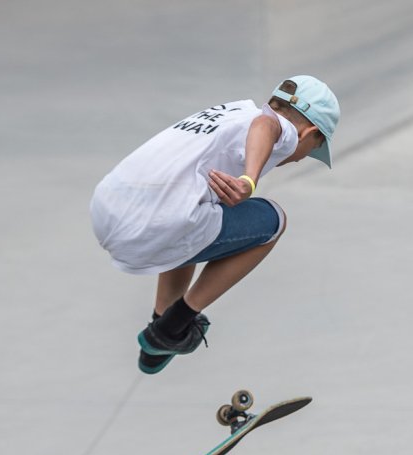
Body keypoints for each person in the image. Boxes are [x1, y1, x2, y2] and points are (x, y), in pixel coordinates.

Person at [90, 76, 339, 373]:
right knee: (274, 220)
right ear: (309, 132)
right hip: (150, 226)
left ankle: (162, 328)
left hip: (106, 208)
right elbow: (268, 126)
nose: (302, 159)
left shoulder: (230, 112)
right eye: (312, 148)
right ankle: (180, 319)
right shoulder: (279, 127)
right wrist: (249, 180)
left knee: (203, 206)